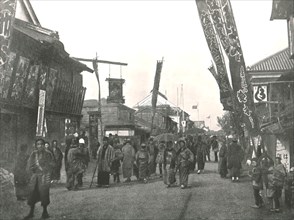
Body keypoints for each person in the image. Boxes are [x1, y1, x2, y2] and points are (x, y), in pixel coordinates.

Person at [24, 138, 55, 220]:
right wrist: (31, 170)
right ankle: (31, 212)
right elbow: (29, 164)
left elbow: (52, 164)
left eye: (41, 144)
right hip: (35, 177)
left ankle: (45, 212)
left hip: (44, 177)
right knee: (32, 195)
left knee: (44, 194)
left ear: (44, 145)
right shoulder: (34, 154)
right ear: (36, 145)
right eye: (38, 144)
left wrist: (46, 169)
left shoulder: (48, 154)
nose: (39, 146)